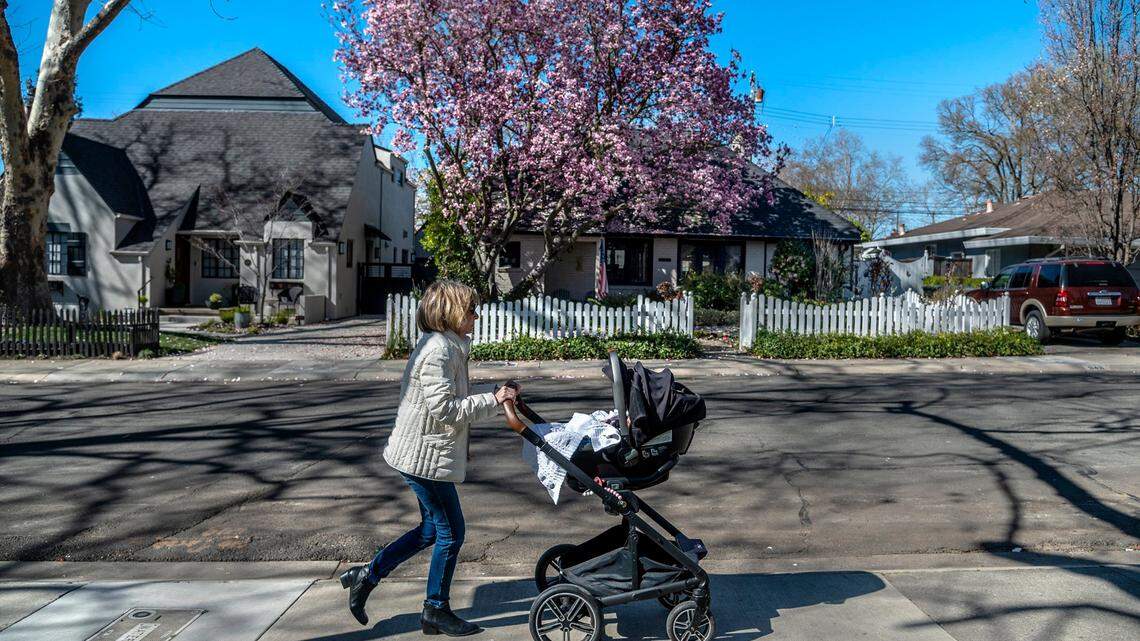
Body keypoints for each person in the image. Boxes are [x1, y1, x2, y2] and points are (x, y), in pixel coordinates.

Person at [340, 279, 519, 636]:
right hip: (424, 457)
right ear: (452, 313)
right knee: (451, 533)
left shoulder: (447, 345)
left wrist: (492, 397)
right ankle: (435, 609)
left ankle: (367, 575)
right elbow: (446, 410)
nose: (477, 317)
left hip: (423, 453)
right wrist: (494, 399)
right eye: (471, 311)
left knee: (429, 531)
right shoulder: (440, 350)